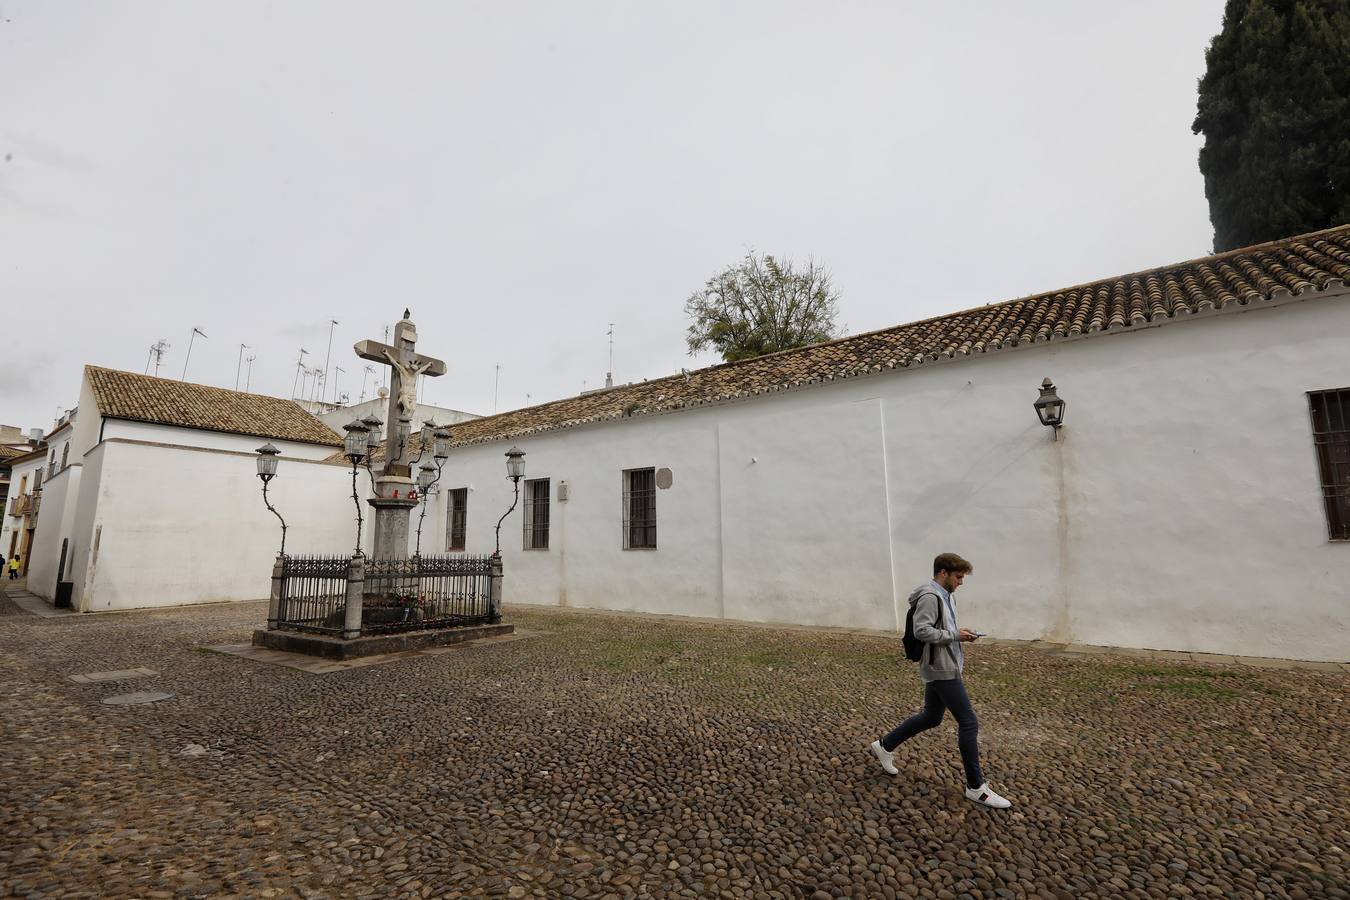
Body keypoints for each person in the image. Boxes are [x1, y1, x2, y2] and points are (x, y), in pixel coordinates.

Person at [869, 552, 1012, 809]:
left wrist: (960, 632)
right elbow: (921, 630)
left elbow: (940, 628)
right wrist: (956, 635)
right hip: (940, 666)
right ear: (943, 573)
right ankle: (976, 787)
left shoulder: (945, 596)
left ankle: (885, 745)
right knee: (968, 722)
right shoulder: (930, 596)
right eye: (958, 577)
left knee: (932, 717)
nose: (961, 582)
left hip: (943, 663)